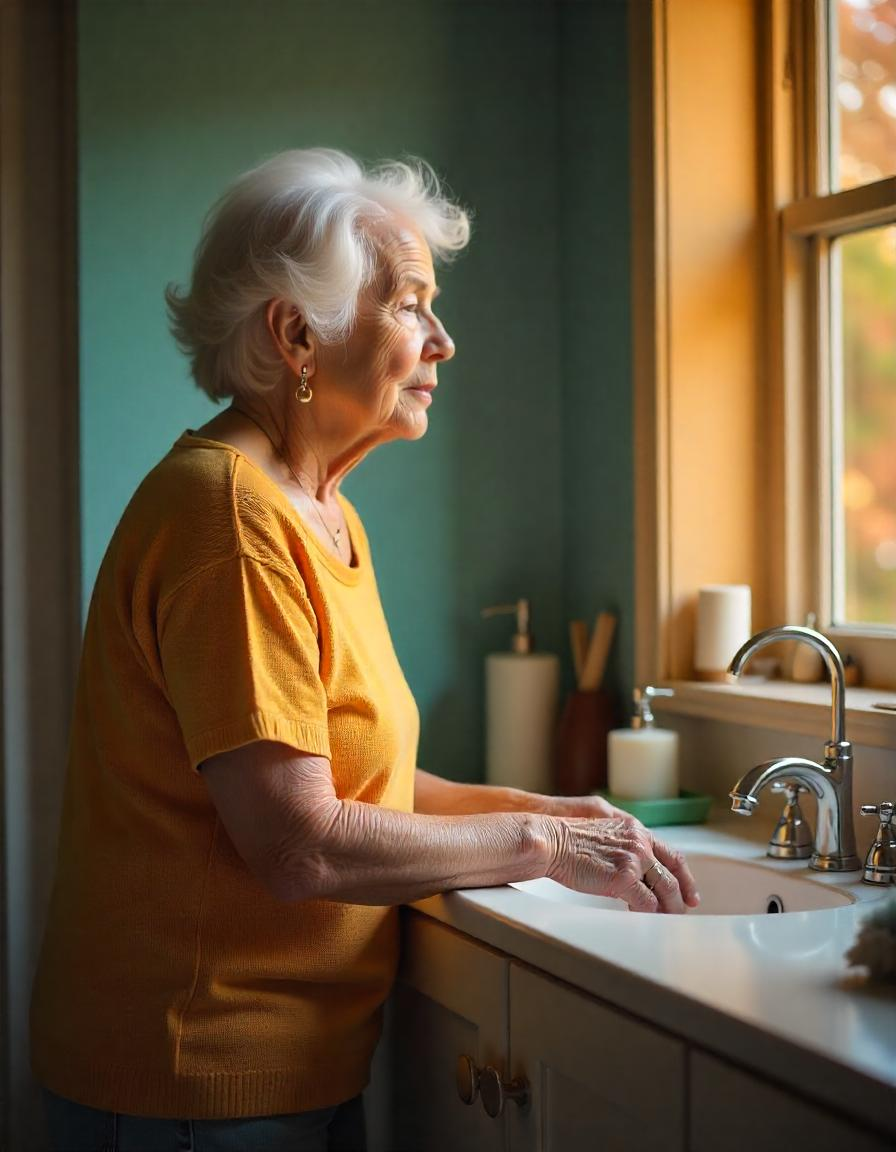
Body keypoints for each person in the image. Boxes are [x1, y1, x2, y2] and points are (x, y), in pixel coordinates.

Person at [30, 148, 699, 1151]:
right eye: (410, 305)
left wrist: (547, 809)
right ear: (298, 334)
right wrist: (543, 847)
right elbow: (299, 841)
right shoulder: (228, 516)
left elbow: (352, 784)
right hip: (193, 1078)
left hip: (284, 1066)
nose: (444, 341)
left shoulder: (317, 511)